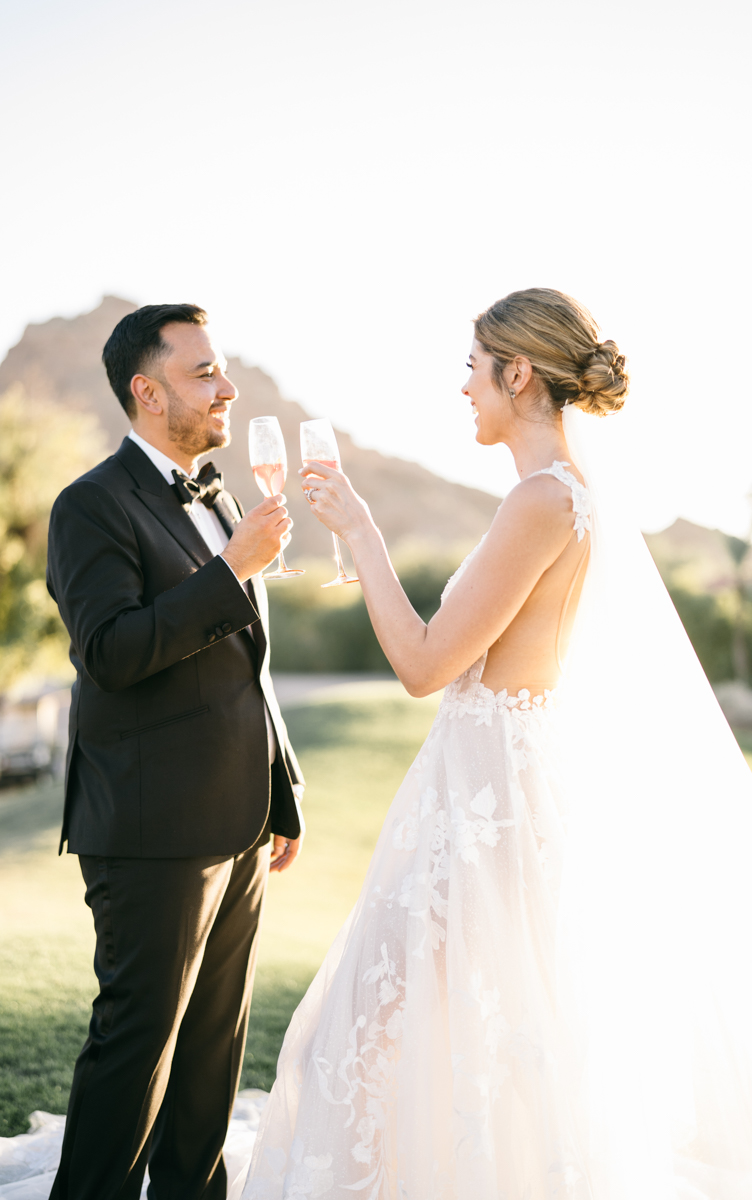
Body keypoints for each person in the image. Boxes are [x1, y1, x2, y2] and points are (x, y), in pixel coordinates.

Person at [241, 289, 752, 1199]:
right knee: (471, 1036)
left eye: (473, 369)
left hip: (483, 811)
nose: (464, 388)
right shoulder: (558, 495)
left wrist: (359, 529)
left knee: (361, 1033)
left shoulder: (543, 501)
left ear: (518, 373)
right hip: (491, 796)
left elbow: (426, 663)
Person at [46, 303, 305, 1200]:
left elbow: (246, 665)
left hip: (239, 824)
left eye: (222, 369)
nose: (226, 386)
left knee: (210, 1060)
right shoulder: (89, 506)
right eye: (204, 373)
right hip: (152, 831)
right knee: (137, 1057)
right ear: (147, 393)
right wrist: (232, 569)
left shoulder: (222, 493)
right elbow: (112, 654)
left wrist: (283, 787)